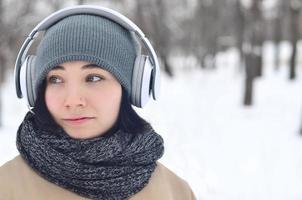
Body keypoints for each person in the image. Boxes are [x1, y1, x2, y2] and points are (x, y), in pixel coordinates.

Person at [0, 5, 196, 200]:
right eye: (56, 79)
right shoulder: (6, 187)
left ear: (134, 87)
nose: (73, 101)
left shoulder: (176, 192)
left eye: (93, 78)